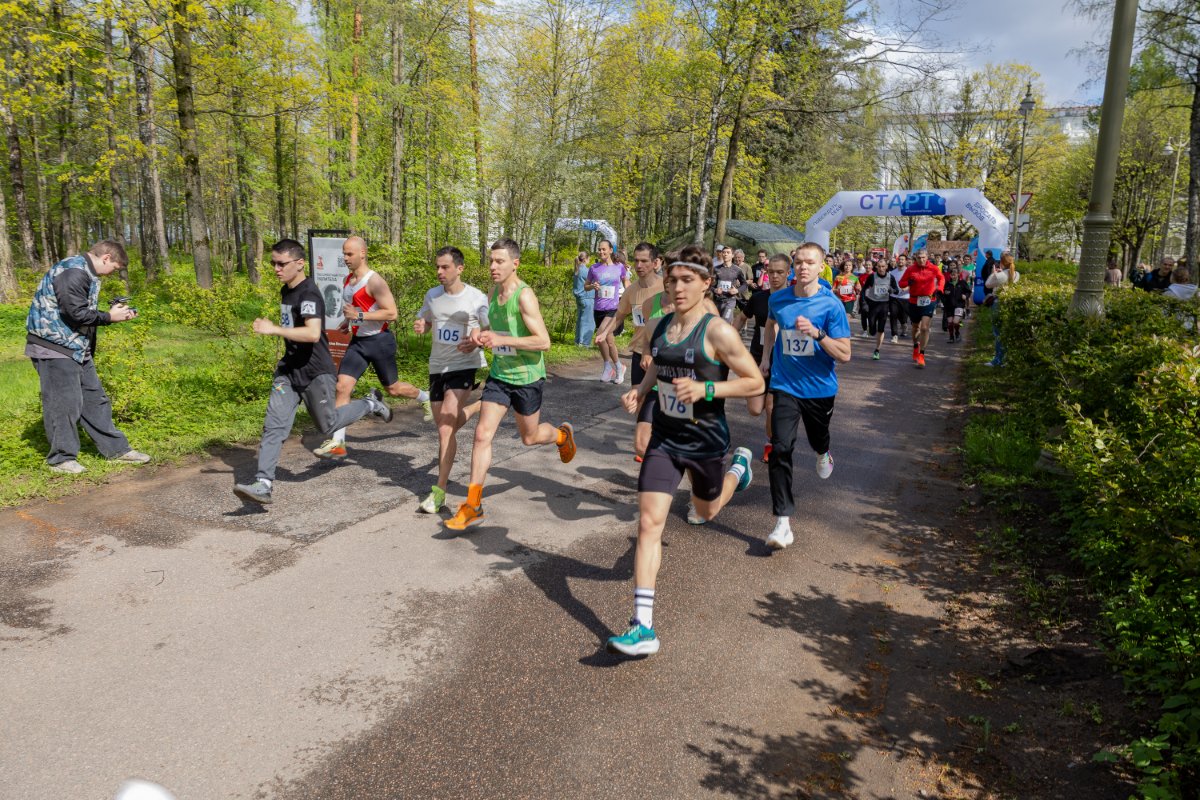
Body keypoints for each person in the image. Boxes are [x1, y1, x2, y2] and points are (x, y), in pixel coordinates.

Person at [605, 245, 764, 657]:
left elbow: (754, 383)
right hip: (665, 439)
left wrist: (707, 388)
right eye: (673, 279)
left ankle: (737, 471)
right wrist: (640, 391)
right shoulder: (659, 326)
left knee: (707, 512)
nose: (676, 287)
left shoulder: (718, 332)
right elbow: (659, 361)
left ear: (706, 284)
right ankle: (643, 627)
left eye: (687, 280)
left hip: (706, 442)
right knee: (648, 524)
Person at [234, 239, 393, 505]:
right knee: (274, 426)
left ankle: (370, 403)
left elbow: (312, 333)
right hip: (288, 370)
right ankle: (263, 483)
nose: (276, 268)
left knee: (327, 425)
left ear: (299, 264)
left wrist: (274, 329)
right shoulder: (287, 290)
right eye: (273, 263)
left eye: (282, 264)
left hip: (316, 372)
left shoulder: (309, 293)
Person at [444, 238, 577, 531]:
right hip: (500, 375)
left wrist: (502, 340)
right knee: (482, 435)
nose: (492, 266)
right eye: (491, 260)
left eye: (499, 261)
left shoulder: (525, 296)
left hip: (527, 378)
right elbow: (493, 327)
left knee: (529, 437)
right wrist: (476, 338)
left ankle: (560, 436)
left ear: (514, 264)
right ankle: (473, 504)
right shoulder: (493, 292)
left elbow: (543, 342)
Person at [25, 240, 151, 474]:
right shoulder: (74, 272)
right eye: (114, 267)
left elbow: (79, 311)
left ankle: (116, 450)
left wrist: (109, 315)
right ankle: (61, 459)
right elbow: (75, 313)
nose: (113, 273)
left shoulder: (86, 272)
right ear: (106, 258)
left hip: (75, 347)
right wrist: (109, 317)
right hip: (54, 346)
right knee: (64, 404)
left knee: (95, 399)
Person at [758, 242, 851, 550]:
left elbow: (845, 354)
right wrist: (766, 357)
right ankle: (783, 521)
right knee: (780, 447)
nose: (802, 267)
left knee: (817, 438)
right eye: (799, 262)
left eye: (810, 263)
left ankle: (824, 452)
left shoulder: (831, 305)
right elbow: (771, 326)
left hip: (820, 389)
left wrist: (818, 334)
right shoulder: (779, 299)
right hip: (785, 385)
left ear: (821, 266)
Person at [313, 237, 431, 460]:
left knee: (393, 389)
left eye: (350, 254)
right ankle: (338, 442)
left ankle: (425, 398)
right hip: (358, 342)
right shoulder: (348, 280)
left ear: (363, 253)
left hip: (379, 342)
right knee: (342, 387)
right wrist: (349, 323)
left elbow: (392, 313)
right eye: (344, 254)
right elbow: (358, 310)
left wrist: (358, 315)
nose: (345, 258)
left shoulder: (374, 281)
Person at [411, 246, 489, 514]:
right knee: (444, 424)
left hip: (464, 364)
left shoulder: (476, 297)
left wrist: (477, 338)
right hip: (437, 367)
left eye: (444, 267)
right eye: (437, 267)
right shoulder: (432, 295)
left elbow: (487, 327)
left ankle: (439, 492)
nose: (439, 272)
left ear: (460, 268)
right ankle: (480, 405)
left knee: (445, 425)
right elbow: (429, 319)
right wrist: (424, 325)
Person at [595, 243, 664, 460]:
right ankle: (645, 443)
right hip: (638, 352)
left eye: (644, 261)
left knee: (660, 401)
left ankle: (655, 441)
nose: (639, 265)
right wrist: (605, 332)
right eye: (636, 260)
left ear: (656, 263)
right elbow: (619, 314)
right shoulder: (632, 289)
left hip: (660, 355)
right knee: (639, 399)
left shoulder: (665, 288)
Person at [733, 253, 790, 461]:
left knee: (771, 406)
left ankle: (770, 443)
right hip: (757, 357)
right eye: (771, 272)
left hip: (783, 360)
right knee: (755, 409)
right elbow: (741, 318)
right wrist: (730, 341)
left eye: (779, 272)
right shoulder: (758, 298)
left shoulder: (793, 299)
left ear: (788, 273)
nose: (774, 276)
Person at [585, 239, 630, 383]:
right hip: (598, 308)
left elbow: (627, 283)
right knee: (609, 342)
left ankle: (607, 367)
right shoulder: (594, 268)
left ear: (611, 250)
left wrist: (632, 298)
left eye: (604, 249)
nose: (601, 252)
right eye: (599, 249)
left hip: (613, 308)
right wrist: (593, 286)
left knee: (600, 335)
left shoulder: (619, 267)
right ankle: (617, 366)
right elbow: (586, 286)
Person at [899, 248, 944, 369]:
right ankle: (915, 346)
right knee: (915, 327)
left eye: (923, 257)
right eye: (919, 258)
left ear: (927, 257)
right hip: (914, 301)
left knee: (924, 328)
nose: (921, 260)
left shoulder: (933, 268)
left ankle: (922, 354)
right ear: (916, 258)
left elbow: (941, 278)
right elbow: (901, 283)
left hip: (929, 300)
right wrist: (909, 281)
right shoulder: (910, 269)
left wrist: (939, 289)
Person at [983, 252, 1020, 368]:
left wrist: (994, 274)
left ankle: (998, 360)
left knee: (998, 333)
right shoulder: (1017, 274)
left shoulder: (1001, 275)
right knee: (1006, 332)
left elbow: (987, 284)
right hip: (1009, 303)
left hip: (998, 303)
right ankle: (1006, 359)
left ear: (1002, 263)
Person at [860, 259, 895, 361]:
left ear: (886, 267)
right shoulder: (872, 277)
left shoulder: (890, 277)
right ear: (876, 267)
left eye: (883, 266)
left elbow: (896, 289)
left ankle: (877, 350)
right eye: (879, 266)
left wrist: (892, 290)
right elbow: (864, 290)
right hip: (873, 304)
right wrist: (864, 303)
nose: (881, 269)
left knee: (881, 329)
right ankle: (871, 329)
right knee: (872, 330)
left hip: (884, 305)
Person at [712, 246, 748, 322]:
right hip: (717, 301)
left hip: (730, 301)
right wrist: (715, 290)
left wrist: (737, 291)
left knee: (726, 321)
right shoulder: (716, 269)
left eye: (728, 252)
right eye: (724, 252)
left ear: (732, 255)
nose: (725, 254)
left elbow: (744, 284)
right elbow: (709, 285)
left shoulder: (737, 270)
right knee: (717, 323)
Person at [941, 264, 971, 343]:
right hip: (949, 306)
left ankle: (957, 333)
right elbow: (941, 293)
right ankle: (951, 337)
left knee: (955, 322)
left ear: (958, 274)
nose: (953, 276)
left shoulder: (962, 283)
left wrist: (965, 296)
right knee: (950, 323)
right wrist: (945, 294)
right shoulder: (947, 284)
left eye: (954, 275)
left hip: (959, 305)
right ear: (950, 275)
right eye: (951, 275)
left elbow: (968, 291)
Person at [571, 251, 595, 346]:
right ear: (585, 259)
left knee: (581, 320)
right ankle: (584, 343)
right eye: (589, 259)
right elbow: (595, 279)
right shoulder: (585, 270)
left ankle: (578, 341)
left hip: (580, 298)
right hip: (587, 298)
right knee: (588, 322)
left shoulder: (577, 269)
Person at [888, 254, 910, 343]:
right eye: (899, 259)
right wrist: (890, 290)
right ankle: (894, 335)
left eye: (902, 259)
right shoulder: (892, 273)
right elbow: (888, 284)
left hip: (905, 297)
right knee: (893, 315)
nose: (900, 261)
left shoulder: (909, 271)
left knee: (903, 317)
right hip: (894, 297)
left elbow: (912, 283)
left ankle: (904, 325)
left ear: (905, 261)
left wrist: (905, 289)